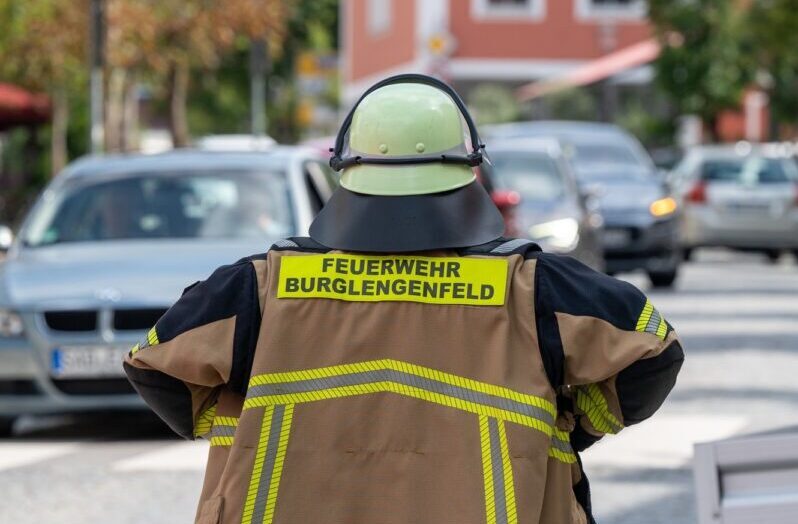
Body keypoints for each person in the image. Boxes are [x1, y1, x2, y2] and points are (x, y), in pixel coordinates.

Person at [124, 74, 684, 524]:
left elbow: (154, 363)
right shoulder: (531, 288)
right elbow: (652, 348)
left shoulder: (261, 287)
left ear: (346, 169)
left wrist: (246, 425)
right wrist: (570, 426)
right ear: (469, 170)